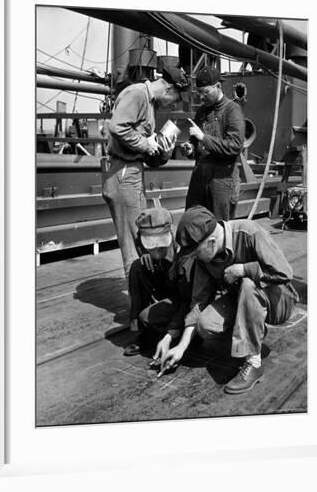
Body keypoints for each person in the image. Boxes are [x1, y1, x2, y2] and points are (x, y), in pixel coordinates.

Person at [161, 205, 299, 394]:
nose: (195, 258)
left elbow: (284, 272)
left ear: (210, 242)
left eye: (195, 253)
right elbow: (199, 302)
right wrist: (181, 347)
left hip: (279, 300)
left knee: (248, 284)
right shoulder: (205, 258)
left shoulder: (250, 232)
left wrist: (243, 270)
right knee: (206, 324)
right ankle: (251, 330)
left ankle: (254, 362)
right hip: (242, 300)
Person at [102, 67, 190, 278]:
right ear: (169, 88)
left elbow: (146, 151)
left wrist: (163, 148)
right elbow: (118, 127)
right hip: (122, 172)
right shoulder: (138, 93)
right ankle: (138, 300)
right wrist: (145, 144)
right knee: (132, 242)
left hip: (132, 172)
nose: (174, 105)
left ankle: (142, 293)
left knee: (142, 234)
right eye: (176, 100)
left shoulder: (148, 102)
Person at [124, 207, 193, 361]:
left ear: (170, 232)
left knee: (148, 317)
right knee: (137, 267)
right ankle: (142, 333)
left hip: (183, 298)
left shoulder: (184, 250)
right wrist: (146, 254)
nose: (157, 249)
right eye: (151, 244)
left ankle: (179, 335)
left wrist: (173, 330)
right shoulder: (142, 242)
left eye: (161, 245)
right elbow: (141, 244)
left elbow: (188, 299)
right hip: (164, 288)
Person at [181, 67, 245, 220]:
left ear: (218, 87)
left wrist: (203, 137)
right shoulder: (201, 112)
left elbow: (235, 146)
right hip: (200, 177)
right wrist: (190, 149)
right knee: (192, 221)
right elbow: (196, 143)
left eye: (206, 92)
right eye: (199, 93)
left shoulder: (232, 110)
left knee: (220, 228)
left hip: (222, 181)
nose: (202, 98)